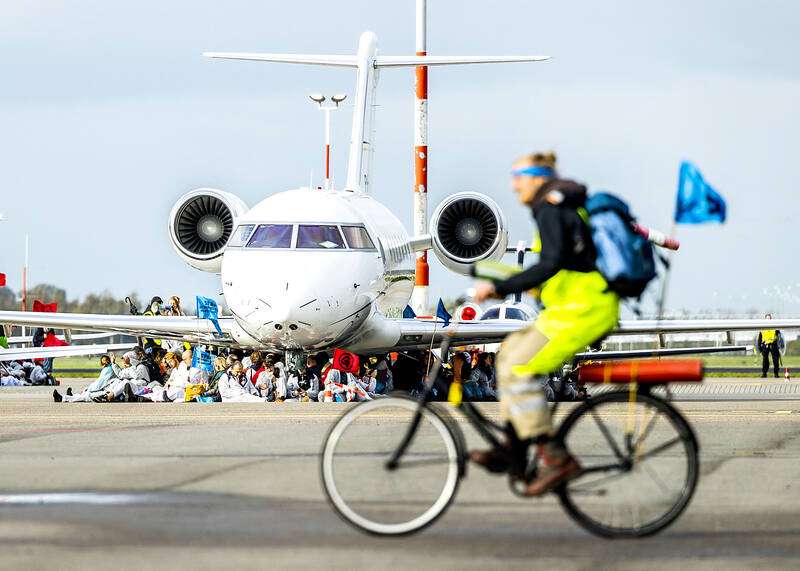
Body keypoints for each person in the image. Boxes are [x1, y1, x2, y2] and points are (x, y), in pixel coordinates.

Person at [471, 151, 620, 496]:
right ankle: (514, 447)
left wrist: (500, 287)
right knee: (507, 354)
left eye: (518, 177)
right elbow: (564, 263)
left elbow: (551, 262)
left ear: (538, 177)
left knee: (520, 368)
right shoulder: (560, 205)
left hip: (584, 309)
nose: (514, 185)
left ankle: (555, 458)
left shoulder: (549, 207)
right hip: (570, 308)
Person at [757, 313, 782, 378]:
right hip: (765, 345)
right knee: (765, 360)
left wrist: (780, 344)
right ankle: (764, 373)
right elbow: (759, 339)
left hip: (773, 345)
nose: (768, 320)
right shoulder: (762, 328)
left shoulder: (775, 328)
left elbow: (779, 336)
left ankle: (776, 373)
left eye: (769, 319)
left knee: (776, 360)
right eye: (767, 319)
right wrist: (760, 348)